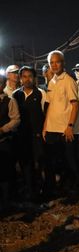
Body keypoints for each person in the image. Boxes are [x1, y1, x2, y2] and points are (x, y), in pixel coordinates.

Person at [42, 50, 79, 198]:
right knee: (54, 161)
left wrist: (70, 126)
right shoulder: (51, 82)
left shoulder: (69, 81)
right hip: (52, 129)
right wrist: (45, 126)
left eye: (57, 61)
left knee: (70, 161)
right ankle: (60, 190)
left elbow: (75, 105)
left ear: (63, 63)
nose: (54, 65)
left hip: (65, 129)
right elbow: (50, 107)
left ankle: (75, 190)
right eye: (51, 62)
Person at [12, 66, 47, 201]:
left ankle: (40, 191)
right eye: (24, 76)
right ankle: (29, 191)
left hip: (37, 136)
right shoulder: (16, 95)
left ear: (34, 78)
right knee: (25, 164)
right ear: (20, 79)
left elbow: (46, 114)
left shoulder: (41, 94)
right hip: (21, 137)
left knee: (38, 163)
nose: (27, 79)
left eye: (30, 76)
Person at [0, 75, 21, 212]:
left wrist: (3, 129)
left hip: (3, 142)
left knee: (5, 173)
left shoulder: (9, 101)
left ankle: (6, 202)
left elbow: (16, 119)